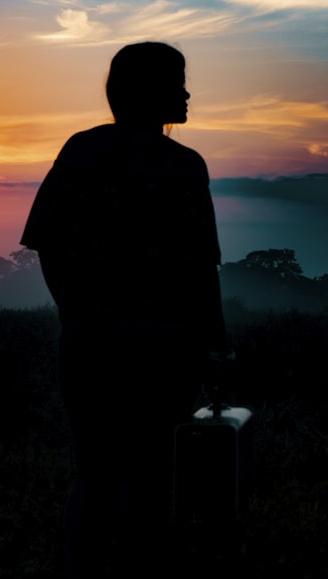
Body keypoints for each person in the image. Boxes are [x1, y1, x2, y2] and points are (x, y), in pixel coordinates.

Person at [20, 41, 230, 577]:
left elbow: (48, 244)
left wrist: (76, 312)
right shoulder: (183, 167)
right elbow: (201, 271)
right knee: (152, 475)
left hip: (91, 341)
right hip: (166, 344)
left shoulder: (83, 151)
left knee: (94, 472)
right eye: (176, 82)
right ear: (147, 91)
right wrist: (215, 347)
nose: (186, 93)